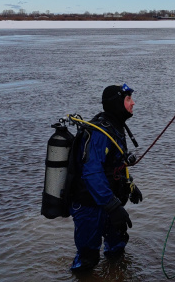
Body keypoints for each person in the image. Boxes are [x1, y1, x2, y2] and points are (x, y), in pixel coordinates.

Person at [68, 84, 143, 272]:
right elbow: (92, 173)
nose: (133, 103)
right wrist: (113, 206)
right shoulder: (100, 133)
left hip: (108, 201)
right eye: (128, 99)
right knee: (87, 259)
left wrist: (131, 185)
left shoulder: (115, 127)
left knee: (117, 247)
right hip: (89, 206)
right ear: (117, 103)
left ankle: (116, 275)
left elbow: (115, 166)